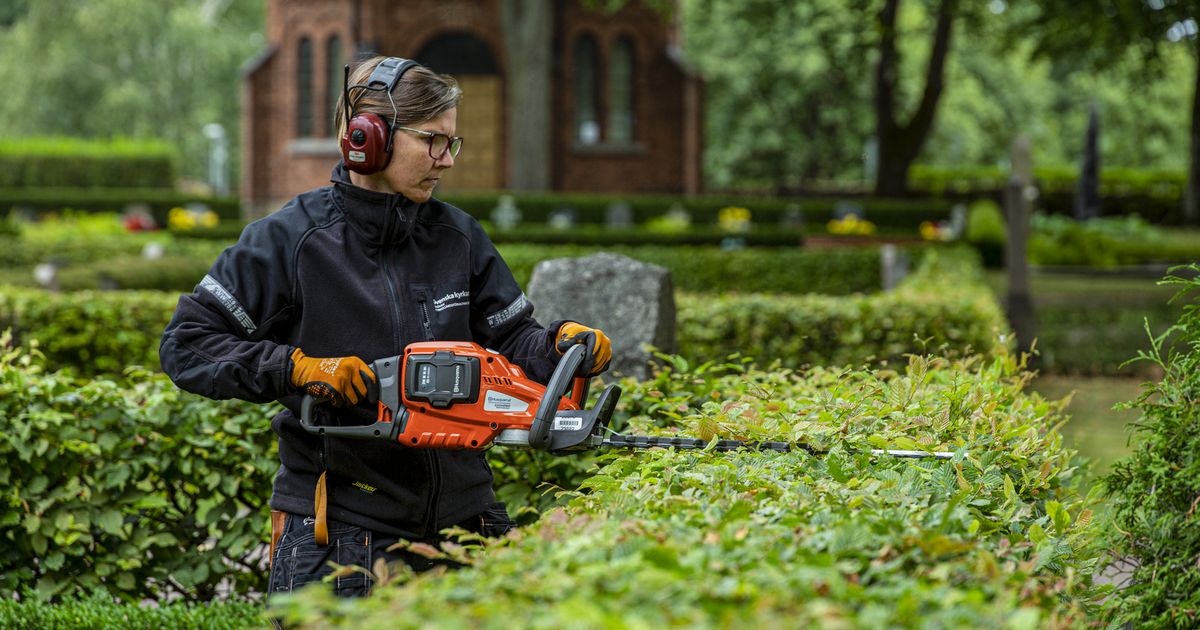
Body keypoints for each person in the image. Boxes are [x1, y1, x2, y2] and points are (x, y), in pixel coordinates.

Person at [159, 55, 612, 598]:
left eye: (453, 143)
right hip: (340, 530)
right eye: (433, 141)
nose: (446, 160)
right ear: (368, 137)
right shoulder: (290, 241)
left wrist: (560, 346)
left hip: (466, 519)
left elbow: (513, 341)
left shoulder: (458, 236)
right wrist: (295, 369)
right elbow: (187, 344)